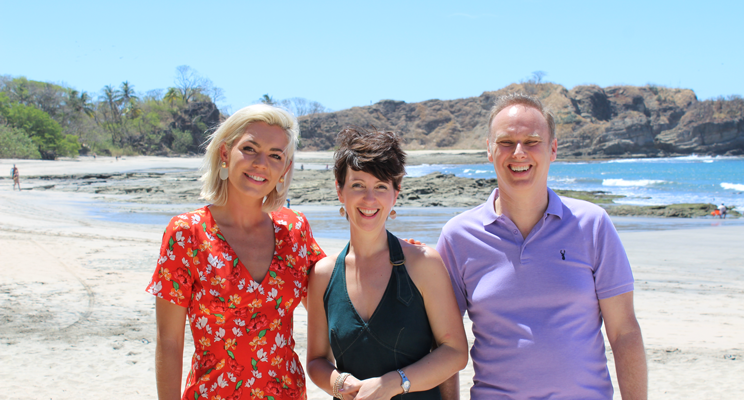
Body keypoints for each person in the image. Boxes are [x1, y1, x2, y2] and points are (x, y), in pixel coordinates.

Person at [436, 94, 647, 399]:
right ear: (489, 150)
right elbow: (445, 342)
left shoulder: (593, 224)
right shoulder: (458, 236)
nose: (518, 153)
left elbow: (624, 332)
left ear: (553, 149)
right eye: (506, 142)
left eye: (532, 141)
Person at [146, 104, 325, 400]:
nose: (261, 163)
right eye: (250, 149)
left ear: (285, 169)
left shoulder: (295, 229)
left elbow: (332, 305)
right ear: (225, 154)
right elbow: (169, 341)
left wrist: (391, 254)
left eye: (275, 155)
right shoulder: (187, 233)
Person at [307, 127, 468, 399]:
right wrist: (339, 383)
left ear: (396, 193)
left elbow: (455, 352)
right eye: (358, 185)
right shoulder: (323, 274)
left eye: (381, 186)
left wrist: (393, 383)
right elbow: (316, 361)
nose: (369, 198)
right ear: (340, 190)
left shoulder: (423, 264)